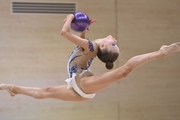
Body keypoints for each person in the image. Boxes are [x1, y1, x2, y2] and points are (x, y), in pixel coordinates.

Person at [0, 14, 180, 102]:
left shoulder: (92, 47)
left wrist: (70, 17)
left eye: (113, 43)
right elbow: (82, 45)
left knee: (122, 72)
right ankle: (13, 88)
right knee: (45, 91)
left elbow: (64, 32)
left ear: (103, 47)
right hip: (79, 87)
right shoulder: (90, 47)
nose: (114, 39)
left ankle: (159, 53)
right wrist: (83, 27)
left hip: (82, 84)